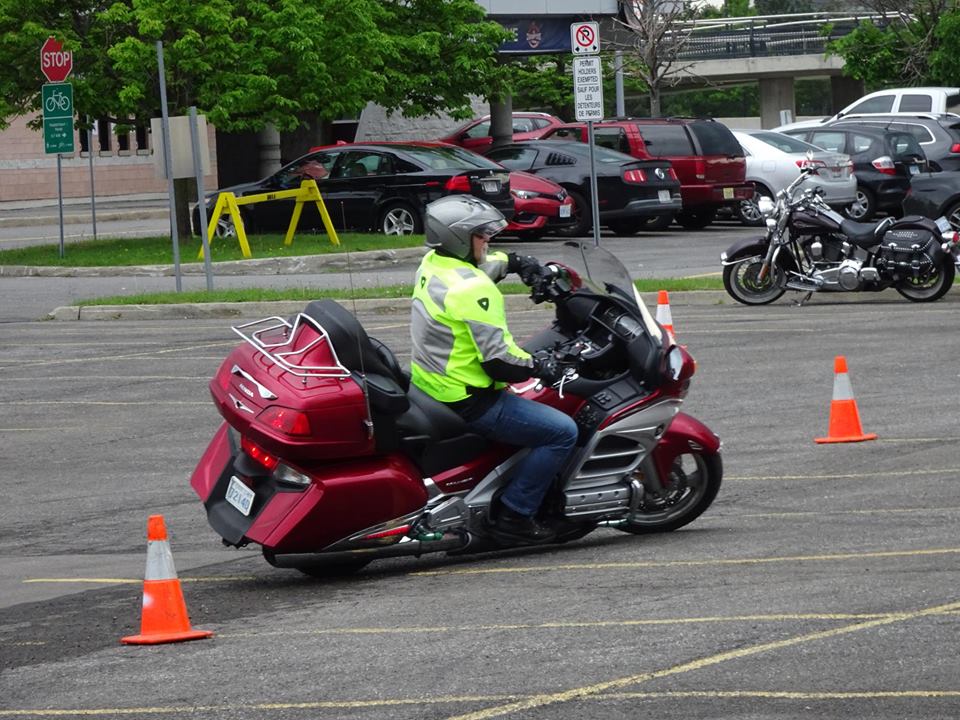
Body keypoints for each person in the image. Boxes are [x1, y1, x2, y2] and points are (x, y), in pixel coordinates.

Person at [409, 195, 579, 543]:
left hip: (434, 384)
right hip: (471, 398)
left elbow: (475, 268)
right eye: (481, 235)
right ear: (459, 239)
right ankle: (515, 516)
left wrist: (517, 262)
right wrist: (541, 365)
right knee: (562, 431)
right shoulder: (473, 290)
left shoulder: (434, 263)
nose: (488, 241)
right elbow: (501, 363)